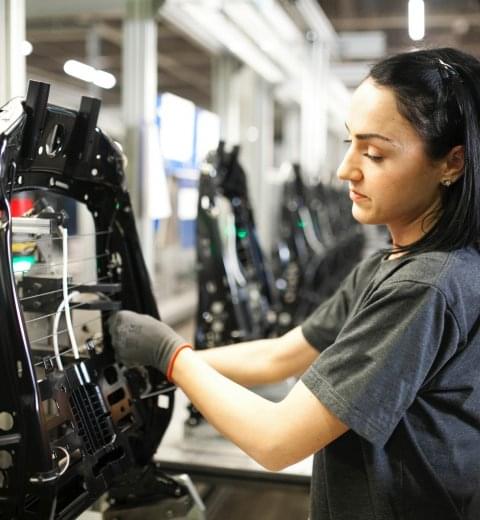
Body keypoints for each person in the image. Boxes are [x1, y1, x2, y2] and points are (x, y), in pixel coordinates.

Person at [108, 47, 480, 520]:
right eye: (349, 144)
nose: (347, 169)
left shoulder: (425, 288)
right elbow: (280, 354)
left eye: (374, 153)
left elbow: (276, 439)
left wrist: (170, 356)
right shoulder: (389, 265)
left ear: (452, 163)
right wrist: (160, 364)